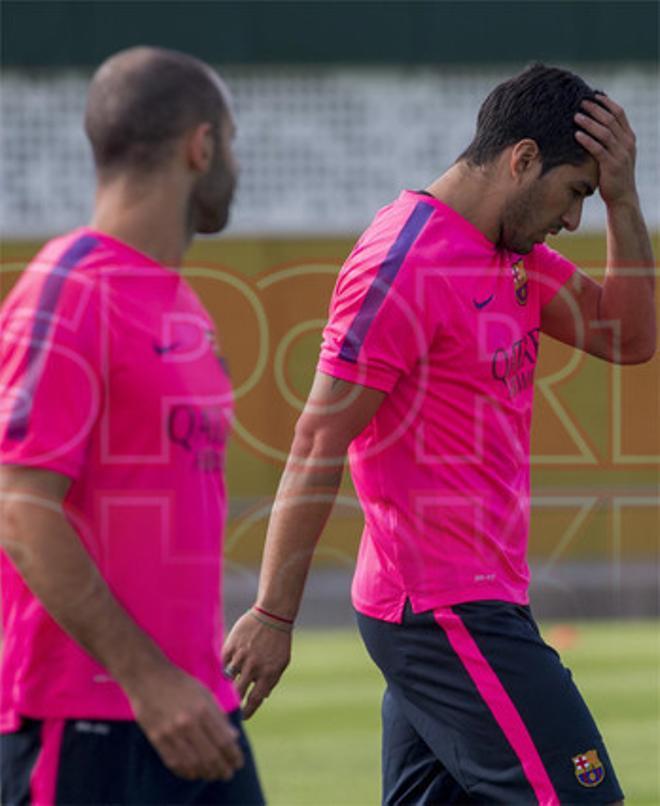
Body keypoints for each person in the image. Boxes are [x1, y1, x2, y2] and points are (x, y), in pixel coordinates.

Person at [223, 64, 656, 804]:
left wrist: (621, 196)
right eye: (575, 193)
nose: (573, 220)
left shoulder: (509, 257)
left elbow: (629, 335)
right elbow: (316, 443)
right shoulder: (403, 263)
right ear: (522, 159)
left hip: (471, 602)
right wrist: (273, 612)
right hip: (444, 609)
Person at [0, 47, 264, 805]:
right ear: (201, 146)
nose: (235, 165)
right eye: (233, 142)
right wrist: (148, 683)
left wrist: (177, 688)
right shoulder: (68, 289)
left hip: (197, 709)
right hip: (91, 722)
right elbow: (20, 509)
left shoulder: (180, 303)